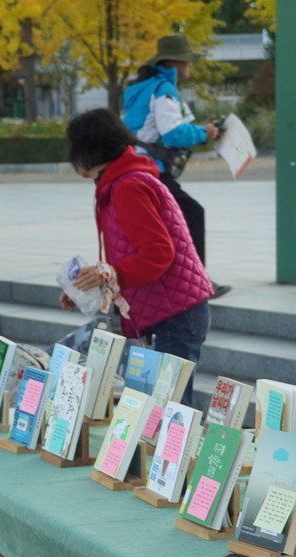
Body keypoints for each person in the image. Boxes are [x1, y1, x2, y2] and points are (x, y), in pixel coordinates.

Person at [62, 108, 212, 406]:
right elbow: (135, 254)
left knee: (169, 415)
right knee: (160, 413)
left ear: (89, 149)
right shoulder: (122, 182)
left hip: (175, 313)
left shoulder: (128, 186)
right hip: (167, 309)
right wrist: (94, 284)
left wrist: (109, 274)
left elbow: (158, 254)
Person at [122, 33, 230, 299]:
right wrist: (204, 133)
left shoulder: (141, 87)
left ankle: (174, 281)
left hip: (132, 166)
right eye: (187, 60)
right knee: (193, 213)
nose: (190, 65)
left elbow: (153, 129)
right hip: (151, 170)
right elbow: (172, 133)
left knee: (168, 224)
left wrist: (200, 128)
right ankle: (197, 284)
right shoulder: (163, 89)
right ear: (173, 62)